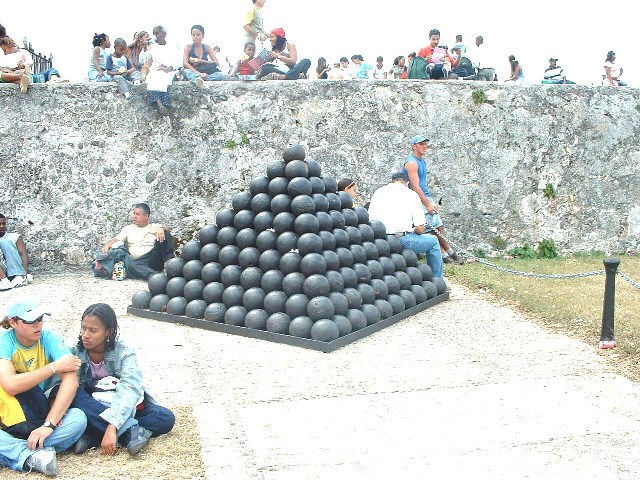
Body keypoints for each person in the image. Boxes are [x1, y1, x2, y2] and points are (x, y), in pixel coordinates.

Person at [70, 303, 175, 456]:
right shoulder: (74, 350)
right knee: (74, 393)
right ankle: (130, 432)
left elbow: (130, 388)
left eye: (93, 330)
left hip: (119, 404)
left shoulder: (124, 350)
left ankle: (94, 434)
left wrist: (113, 426)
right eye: (83, 328)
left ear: (108, 331)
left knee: (165, 418)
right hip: (91, 405)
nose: (85, 335)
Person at [0, 298, 87, 476]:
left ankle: (19, 451)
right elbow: (10, 385)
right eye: (31, 321)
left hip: (40, 414)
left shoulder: (50, 338)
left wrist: (49, 424)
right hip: (10, 416)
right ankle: (29, 455)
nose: (38, 325)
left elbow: (71, 380)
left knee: (79, 418)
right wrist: (52, 368)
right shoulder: (4, 343)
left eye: (40, 318)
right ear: (13, 322)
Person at [368, 172, 444, 279]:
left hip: (381, 241)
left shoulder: (378, 192)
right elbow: (420, 228)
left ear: (392, 181)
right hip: (401, 240)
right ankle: (438, 279)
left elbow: (370, 220)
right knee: (433, 242)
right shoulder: (412, 194)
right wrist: (412, 230)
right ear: (407, 183)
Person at [402, 135, 463, 264]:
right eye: (421, 144)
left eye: (425, 143)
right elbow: (415, 186)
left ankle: (450, 252)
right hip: (417, 198)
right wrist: (427, 204)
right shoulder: (411, 163)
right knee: (431, 228)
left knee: (438, 226)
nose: (424, 146)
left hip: (425, 195)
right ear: (414, 146)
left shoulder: (421, 161)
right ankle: (444, 255)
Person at [100, 203, 174, 280]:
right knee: (131, 266)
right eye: (134, 213)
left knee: (165, 234)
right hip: (138, 263)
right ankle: (155, 277)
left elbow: (166, 228)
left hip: (153, 259)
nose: (134, 216)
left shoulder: (154, 227)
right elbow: (117, 239)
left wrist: (161, 228)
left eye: (138, 214)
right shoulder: (128, 229)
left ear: (146, 216)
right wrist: (108, 244)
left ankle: (171, 263)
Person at [145, 25, 182, 116]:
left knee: (163, 78)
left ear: (164, 34)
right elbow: (146, 60)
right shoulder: (153, 47)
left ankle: (164, 104)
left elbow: (178, 61)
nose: (156, 36)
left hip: (170, 70)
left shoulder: (172, 46)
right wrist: (145, 48)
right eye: (154, 34)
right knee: (151, 79)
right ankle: (160, 104)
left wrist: (169, 68)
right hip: (156, 69)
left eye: (157, 33)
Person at [0, 213, 30, 291]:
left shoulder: (14, 237)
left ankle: (19, 277)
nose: (2, 226)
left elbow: (23, 254)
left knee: (6, 241)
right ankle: (4, 280)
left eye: (3, 223)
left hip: (12, 271)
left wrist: (24, 273)